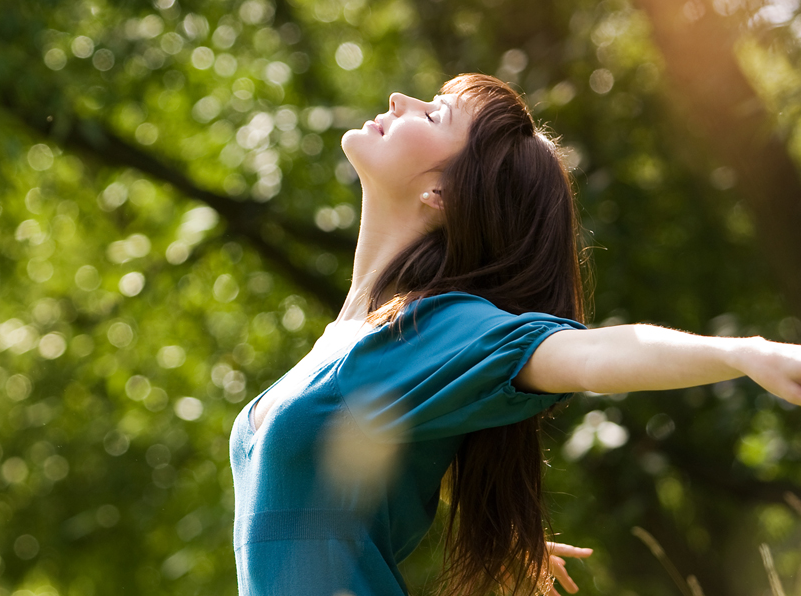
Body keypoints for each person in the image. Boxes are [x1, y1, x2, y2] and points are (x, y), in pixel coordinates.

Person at [228, 73, 801, 596]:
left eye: (434, 116)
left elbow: (587, 354)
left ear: (443, 194)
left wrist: (742, 353)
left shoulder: (431, 328)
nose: (401, 100)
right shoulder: (355, 339)